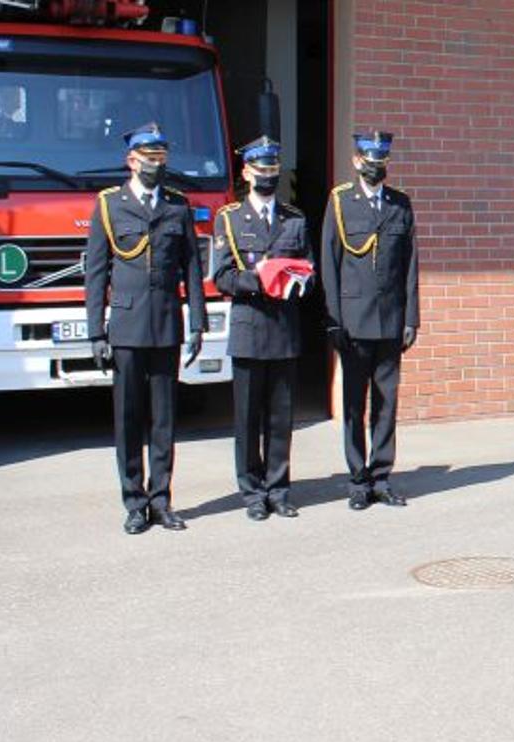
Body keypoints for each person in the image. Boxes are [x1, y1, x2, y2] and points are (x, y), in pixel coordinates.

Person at [83, 123, 206, 535]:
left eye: (161, 158)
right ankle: (134, 502)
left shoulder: (176, 205)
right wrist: (96, 332)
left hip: (167, 324)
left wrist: (197, 323)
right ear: (131, 161)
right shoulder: (109, 206)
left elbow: (192, 266)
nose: (155, 165)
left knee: (164, 421)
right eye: (148, 158)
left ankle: (162, 499)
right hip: (127, 326)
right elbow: (97, 273)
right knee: (129, 418)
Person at [212, 136, 311, 521]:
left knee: (280, 419)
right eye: (261, 170)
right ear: (246, 172)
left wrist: (295, 279)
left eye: (272, 170)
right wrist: (263, 278)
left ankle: (279, 488)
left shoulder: (295, 218)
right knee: (248, 417)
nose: (267, 176)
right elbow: (222, 276)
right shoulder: (230, 218)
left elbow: (310, 275)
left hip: (284, 331)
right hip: (249, 328)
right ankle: (252, 491)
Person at [322, 131, 420, 510]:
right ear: (356, 161)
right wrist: (333, 320)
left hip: (391, 321)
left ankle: (381, 476)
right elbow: (330, 263)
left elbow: (410, 264)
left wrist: (412, 317)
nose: (375, 166)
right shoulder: (341, 202)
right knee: (353, 404)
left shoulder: (400, 204)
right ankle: (357, 480)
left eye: (382, 160)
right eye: (369, 160)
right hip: (353, 321)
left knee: (387, 403)